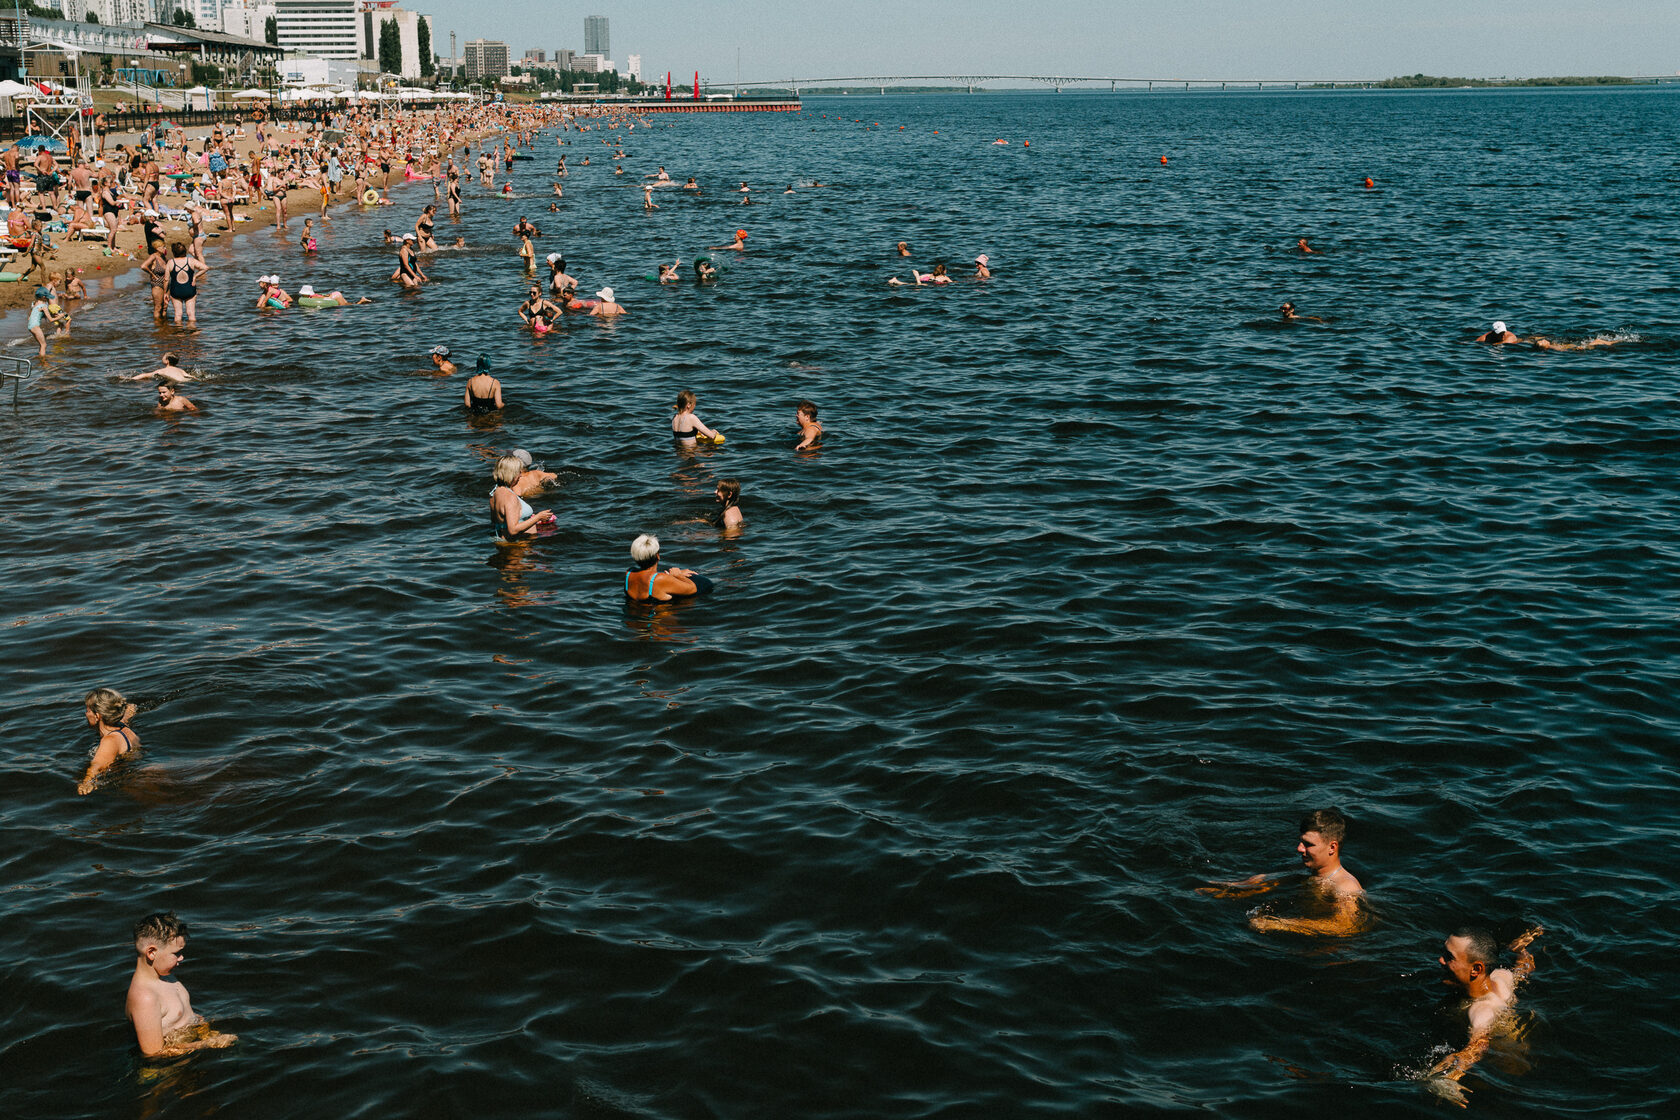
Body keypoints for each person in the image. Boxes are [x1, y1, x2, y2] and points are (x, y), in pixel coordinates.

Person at [1425, 925, 1545, 1107]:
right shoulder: (1501, 977)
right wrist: (1521, 949)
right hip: (1527, 1058)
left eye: (1449, 957)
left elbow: (1479, 1045)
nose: (1440, 959)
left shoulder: (1481, 1010)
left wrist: (1447, 1077)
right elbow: (1523, 969)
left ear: (1476, 969)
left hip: (1507, 1074)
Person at [1197, 808, 1364, 936]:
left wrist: (1278, 924)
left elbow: (1344, 926)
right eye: (1300, 842)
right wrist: (1228, 889)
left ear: (1332, 847)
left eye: (1308, 844)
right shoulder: (1306, 870)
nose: (1299, 849)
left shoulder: (1345, 886)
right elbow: (1269, 880)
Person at [126, 913, 239, 1059]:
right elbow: (153, 1054)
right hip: (166, 1072)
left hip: (189, 1049)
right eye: (176, 953)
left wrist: (206, 1032)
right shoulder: (145, 998)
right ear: (152, 952)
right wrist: (208, 1044)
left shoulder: (166, 976)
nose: (181, 958)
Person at [78, 687, 139, 794]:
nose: (85, 714)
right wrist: (129, 710)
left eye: (87, 710)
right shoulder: (123, 726)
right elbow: (126, 715)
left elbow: (98, 765)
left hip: (137, 785)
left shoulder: (110, 740)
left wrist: (86, 782)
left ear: (97, 716)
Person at [489, 454, 554, 541]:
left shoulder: (495, 493)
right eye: (518, 472)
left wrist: (526, 519)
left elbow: (495, 521)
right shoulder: (510, 497)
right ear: (511, 473)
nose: (520, 475)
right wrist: (538, 517)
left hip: (504, 541)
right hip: (518, 545)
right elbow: (513, 530)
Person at [624, 534, 707, 601]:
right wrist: (679, 576)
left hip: (632, 620)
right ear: (657, 556)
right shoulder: (660, 579)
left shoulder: (629, 573)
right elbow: (693, 589)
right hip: (658, 619)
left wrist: (670, 576)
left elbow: (651, 580)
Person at [164, 241, 207, 326]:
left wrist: (165, 293)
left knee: (178, 314)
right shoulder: (190, 260)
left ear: (174, 252)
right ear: (185, 251)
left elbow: (166, 279)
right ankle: (193, 336)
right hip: (190, 289)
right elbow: (205, 268)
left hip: (176, 291)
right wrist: (195, 277)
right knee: (191, 314)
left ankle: (179, 336)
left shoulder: (170, 262)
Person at [26, 286, 50, 357]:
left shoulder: (34, 304)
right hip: (35, 326)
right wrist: (60, 316)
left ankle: (40, 357)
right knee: (44, 345)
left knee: (41, 344)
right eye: (47, 297)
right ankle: (43, 362)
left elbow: (29, 315)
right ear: (44, 297)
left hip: (30, 326)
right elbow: (51, 319)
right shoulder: (43, 306)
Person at [297, 284, 371, 307]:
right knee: (347, 303)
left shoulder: (312, 297)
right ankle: (361, 301)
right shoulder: (313, 295)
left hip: (336, 296)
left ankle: (361, 301)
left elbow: (322, 297)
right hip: (335, 294)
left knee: (344, 306)